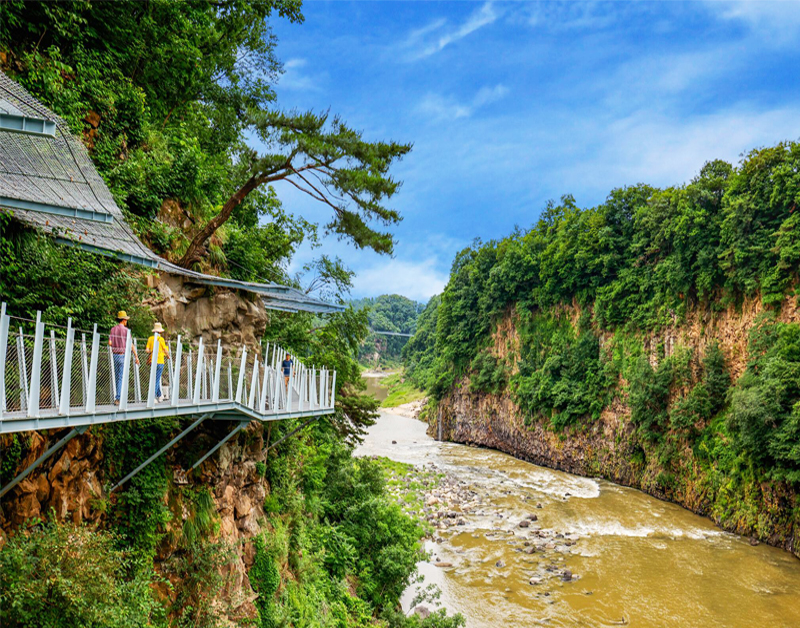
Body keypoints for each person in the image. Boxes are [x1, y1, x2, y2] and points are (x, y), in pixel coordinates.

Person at [109, 310, 139, 404]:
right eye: (126, 320)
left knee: (117, 376)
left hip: (115, 355)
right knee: (121, 377)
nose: (126, 321)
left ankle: (119, 397)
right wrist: (136, 356)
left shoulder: (113, 329)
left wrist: (116, 345)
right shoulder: (126, 331)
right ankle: (119, 398)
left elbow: (110, 343)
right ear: (124, 320)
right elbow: (130, 345)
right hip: (123, 355)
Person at [146, 322, 171, 402]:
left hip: (152, 361)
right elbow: (165, 349)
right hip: (160, 361)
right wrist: (168, 356)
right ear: (160, 331)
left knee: (155, 378)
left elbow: (147, 350)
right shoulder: (161, 339)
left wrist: (152, 350)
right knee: (156, 379)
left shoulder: (150, 339)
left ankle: (160, 395)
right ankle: (153, 397)